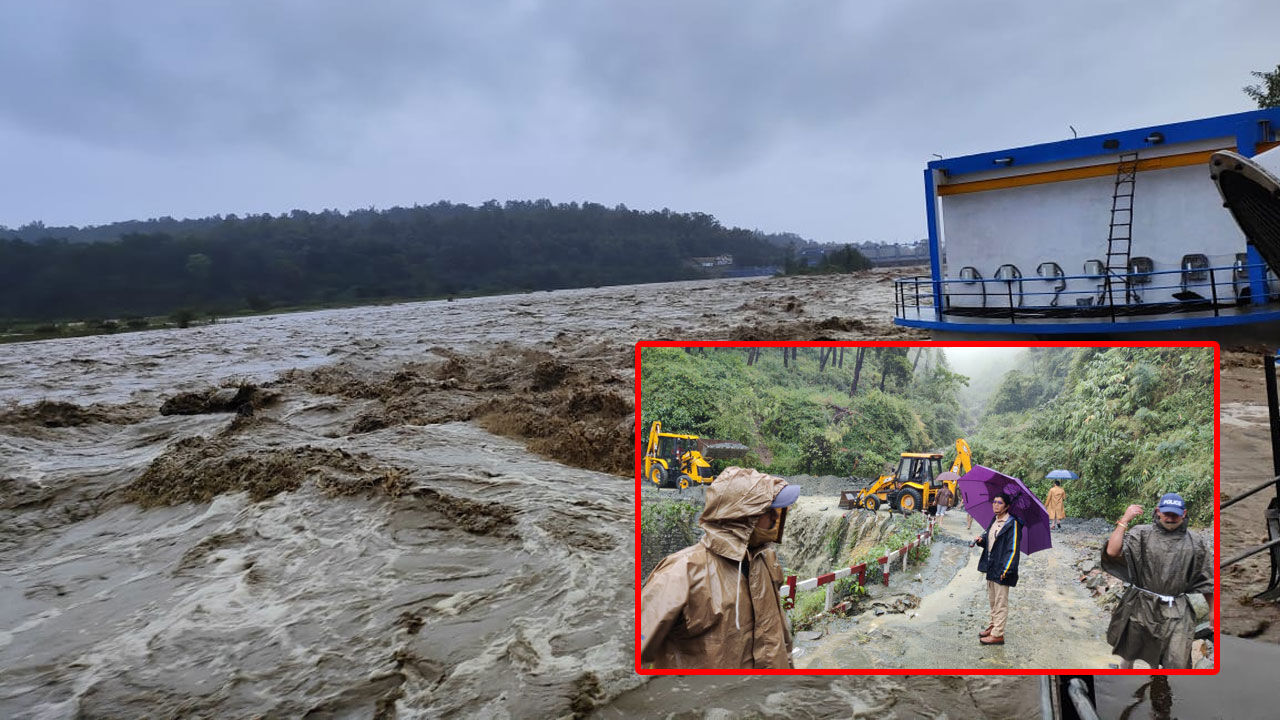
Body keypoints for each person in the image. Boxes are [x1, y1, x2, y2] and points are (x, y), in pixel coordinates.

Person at [639, 466, 800, 668]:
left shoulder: (764, 560)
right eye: (769, 510)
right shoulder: (681, 572)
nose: (776, 517)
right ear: (743, 516)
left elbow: (780, 634)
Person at [1101, 492, 1213, 669]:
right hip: (1142, 604)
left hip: (1177, 609)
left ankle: (1161, 682)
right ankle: (1125, 675)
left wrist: (1213, 610)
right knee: (1130, 651)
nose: (1170, 518)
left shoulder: (1195, 542)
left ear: (1184, 514)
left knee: (1177, 660)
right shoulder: (1142, 533)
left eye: (1175, 515)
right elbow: (1112, 551)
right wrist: (1125, 520)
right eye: (1167, 513)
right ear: (1158, 511)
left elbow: (1206, 579)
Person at [973, 492, 1021, 646]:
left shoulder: (1013, 524)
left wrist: (1006, 570)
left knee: (1001, 602)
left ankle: (998, 634)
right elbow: (990, 541)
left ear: (1007, 506)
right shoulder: (994, 520)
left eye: (999, 502)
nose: (995, 505)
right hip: (991, 566)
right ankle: (993, 625)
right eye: (994, 502)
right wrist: (981, 541)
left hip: (1002, 570)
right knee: (993, 600)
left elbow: (1013, 550)